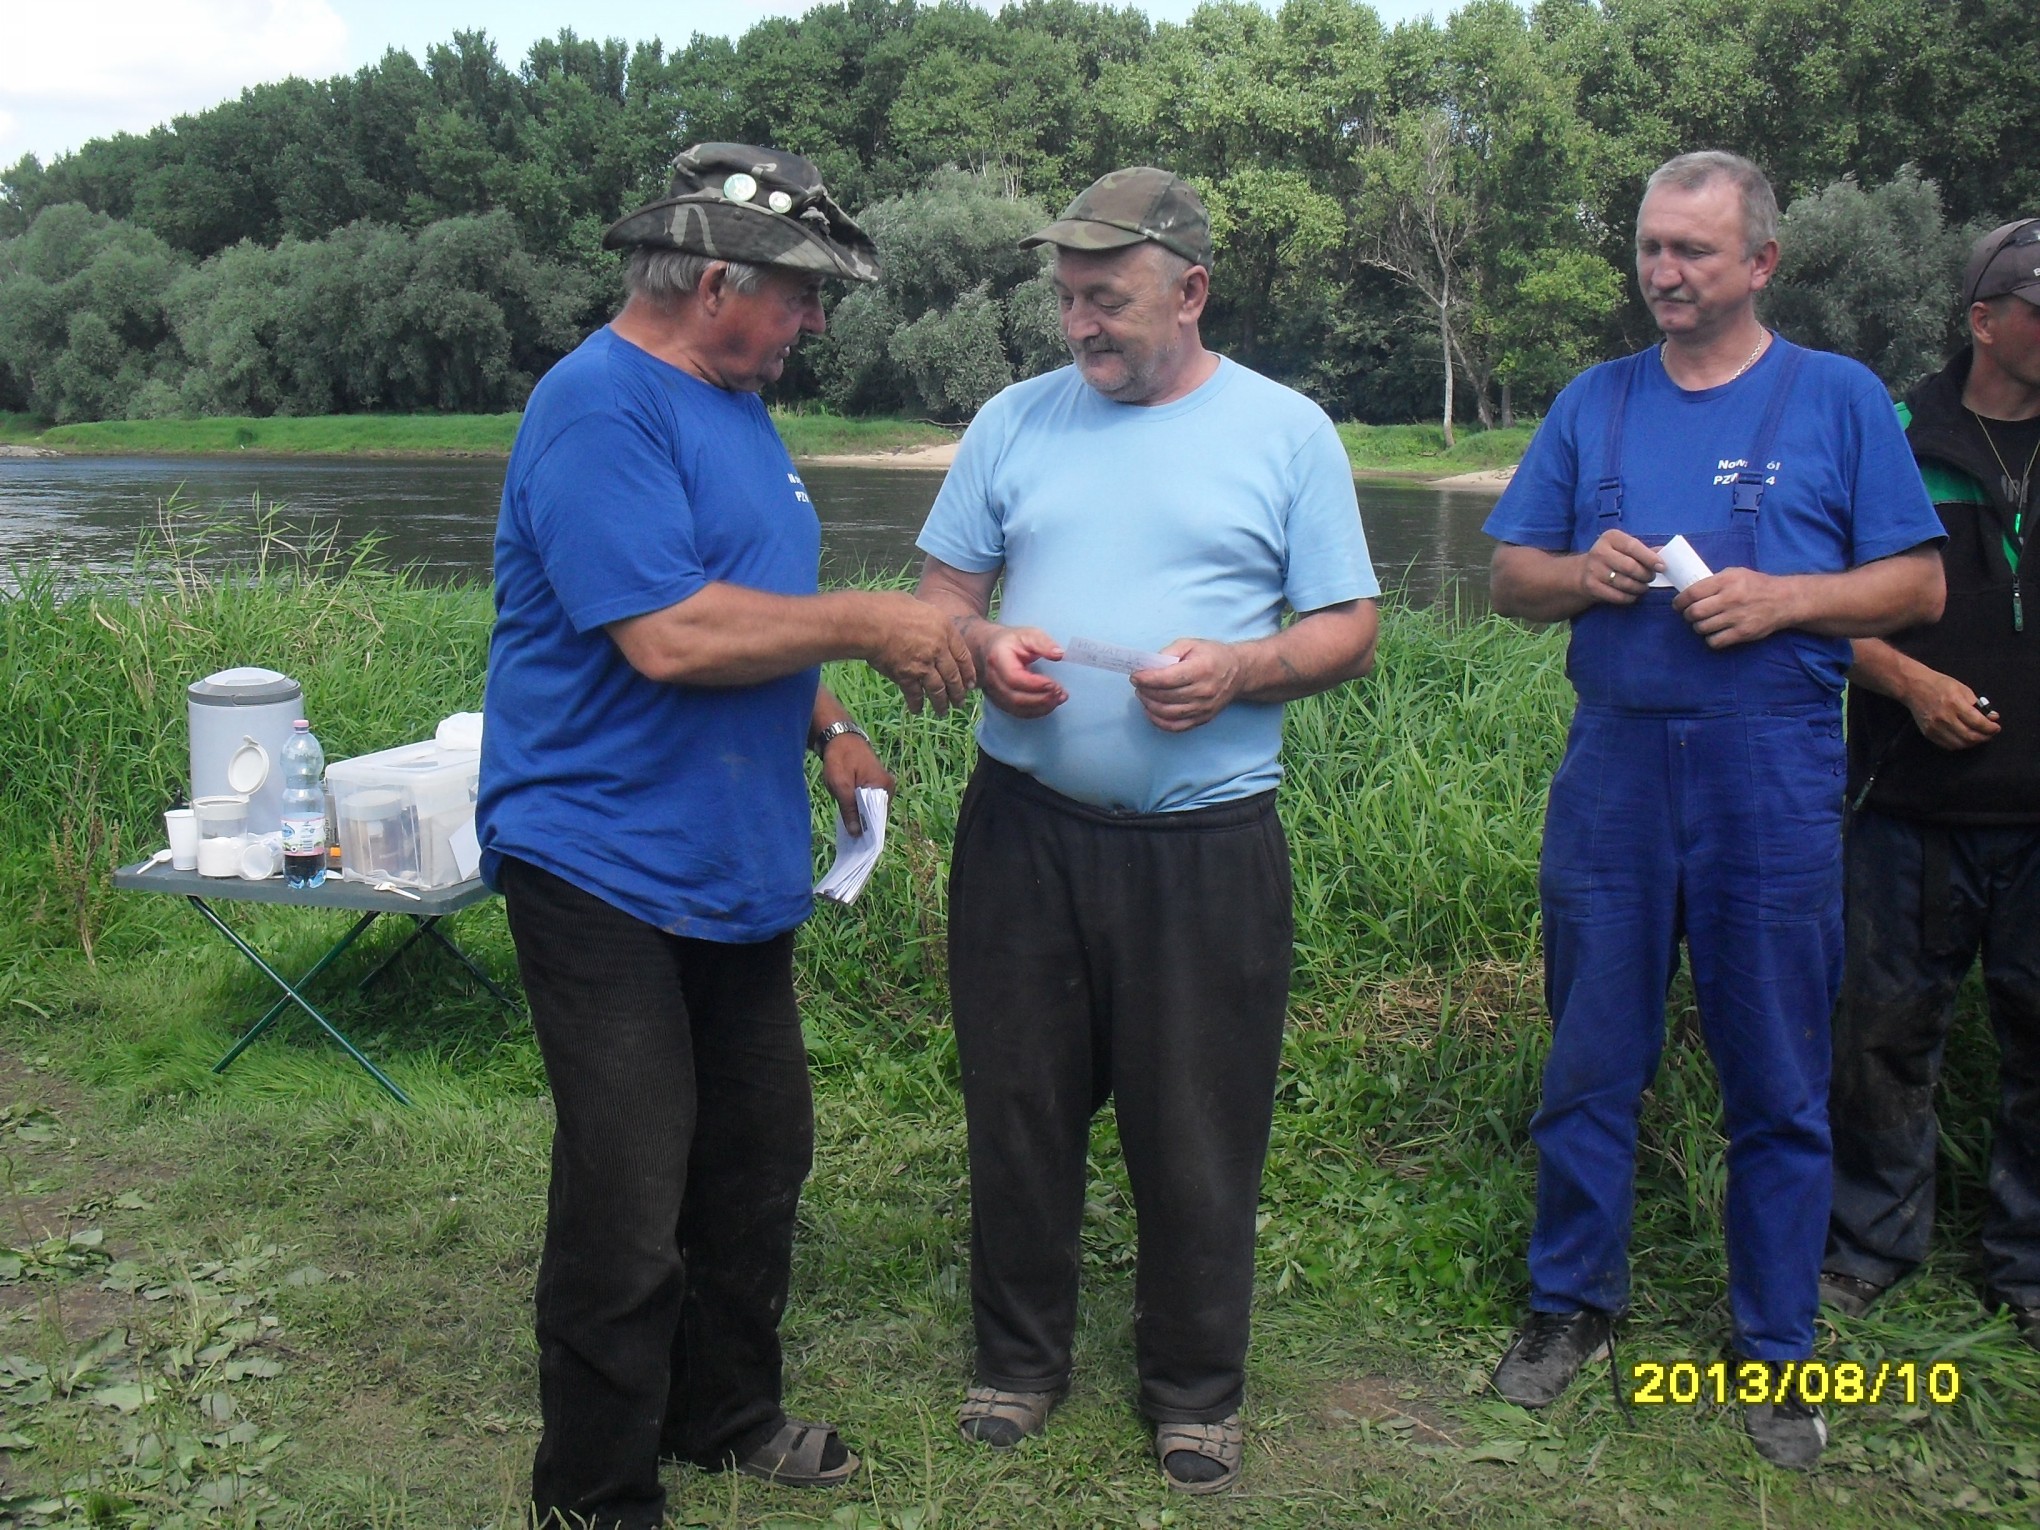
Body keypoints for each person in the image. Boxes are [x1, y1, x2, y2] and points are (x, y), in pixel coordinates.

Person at [476, 142, 977, 1530]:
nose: (814, 322)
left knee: (756, 1159)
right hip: (596, 858)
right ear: (715, 285)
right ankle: (594, 1491)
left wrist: (828, 723)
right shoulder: (594, 408)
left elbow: (749, 600)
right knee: (629, 1188)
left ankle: (723, 1413)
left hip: (731, 861)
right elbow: (670, 632)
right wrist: (870, 624)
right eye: (801, 296)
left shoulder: (738, 407)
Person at [913, 166, 1380, 1495]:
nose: (1080, 324)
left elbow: (1348, 628)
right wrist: (984, 645)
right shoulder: (1013, 421)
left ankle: (1193, 1388)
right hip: (1025, 832)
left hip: (1206, 844)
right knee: (1018, 1106)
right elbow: (941, 596)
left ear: (1191, 291)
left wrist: (1241, 670)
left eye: (1106, 298)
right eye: (1067, 298)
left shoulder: (1287, 432)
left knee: (1196, 1128)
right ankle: (1018, 1360)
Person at [1480, 150, 1946, 1469]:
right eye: (1650, 246)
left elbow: (1917, 587)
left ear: (1760, 262)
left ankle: (1776, 1345)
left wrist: (1787, 598)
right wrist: (1581, 572)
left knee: (1780, 1073)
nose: (1664, 271)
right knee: (1591, 1056)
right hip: (1615, 770)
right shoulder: (1597, 400)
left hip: (1771, 773)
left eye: (1692, 249)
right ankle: (1571, 1303)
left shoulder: (1837, 397)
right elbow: (1510, 580)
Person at [1822, 218, 2040, 1349]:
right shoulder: (1895, 436)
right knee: (1883, 1035)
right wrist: (1909, 683)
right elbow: (1811, 602)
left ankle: (2029, 1266)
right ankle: (1870, 1244)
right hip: (1907, 805)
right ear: (1985, 321)